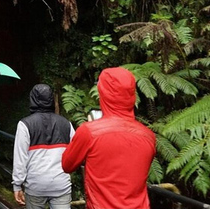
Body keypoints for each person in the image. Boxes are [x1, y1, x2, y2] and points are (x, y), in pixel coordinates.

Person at [62, 67, 156, 209]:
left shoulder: (89, 132)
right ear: (132, 95)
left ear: (103, 94)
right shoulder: (148, 136)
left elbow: (67, 164)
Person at [12, 84, 75, 209]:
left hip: (36, 184)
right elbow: (76, 151)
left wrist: (17, 185)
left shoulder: (24, 124)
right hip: (61, 184)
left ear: (32, 99)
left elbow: (20, 158)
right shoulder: (66, 124)